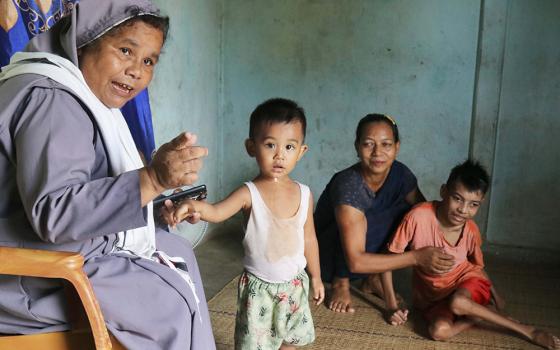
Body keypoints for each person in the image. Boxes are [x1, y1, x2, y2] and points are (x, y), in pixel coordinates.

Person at [0, 1, 216, 349]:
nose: (136, 70)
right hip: (29, 276)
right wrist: (152, 180)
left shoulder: (79, 93)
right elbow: (56, 214)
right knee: (167, 303)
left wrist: (150, 209)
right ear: (83, 42)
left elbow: (83, 188)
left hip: (62, 252)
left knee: (177, 251)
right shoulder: (52, 100)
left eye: (148, 61)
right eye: (126, 50)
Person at [167, 98, 325, 350]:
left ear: (301, 151)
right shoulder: (248, 192)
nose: (279, 155)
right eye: (270, 144)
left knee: (291, 340)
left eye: (289, 147)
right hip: (259, 289)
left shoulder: (304, 193)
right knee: (255, 344)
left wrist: (316, 277)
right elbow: (217, 211)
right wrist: (193, 205)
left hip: (294, 285)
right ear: (251, 147)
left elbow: (309, 238)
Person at [382, 159, 560, 349]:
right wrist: (391, 305)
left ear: (480, 204)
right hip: (432, 297)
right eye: (457, 198)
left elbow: (476, 267)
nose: (463, 210)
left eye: (473, 204)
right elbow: (387, 261)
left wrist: (496, 295)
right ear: (444, 191)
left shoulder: (471, 230)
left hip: (467, 284)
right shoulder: (418, 217)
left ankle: (529, 331)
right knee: (439, 331)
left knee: (458, 302)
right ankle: (475, 318)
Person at [314, 113, 456, 313]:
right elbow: (356, 261)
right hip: (328, 256)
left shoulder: (400, 174)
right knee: (360, 220)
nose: (377, 153)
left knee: (414, 215)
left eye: (386, 144)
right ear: (357, 146)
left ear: (397, 147)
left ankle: (374, 278)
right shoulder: (349, 185)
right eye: (368, 144)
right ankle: (341, 282)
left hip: (367, 254)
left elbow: (425, 216)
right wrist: (417, 257)